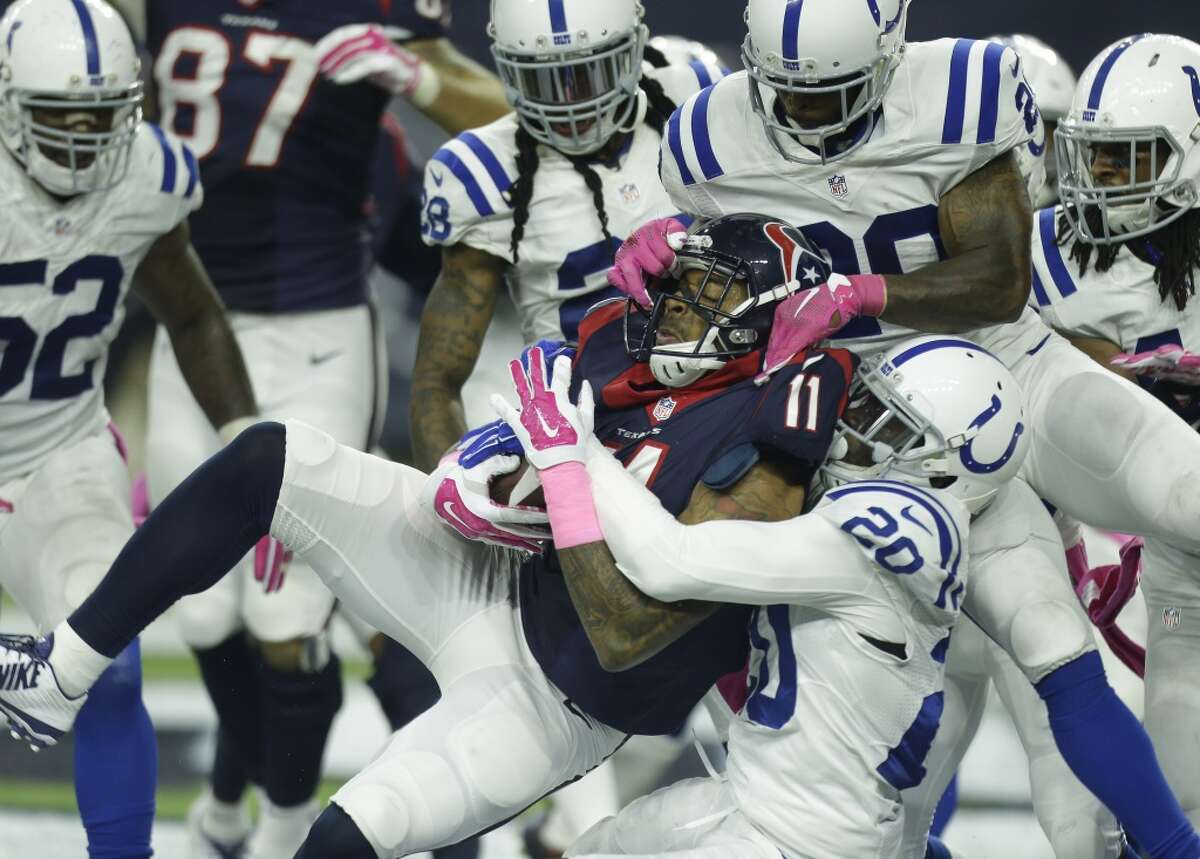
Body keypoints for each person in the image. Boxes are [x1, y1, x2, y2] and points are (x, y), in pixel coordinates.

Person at [0, 215, 855, 857]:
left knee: (341, 843)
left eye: (710, 296)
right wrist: (489, 478)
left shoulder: (768, 468)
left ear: (773, 324)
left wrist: (563, 467)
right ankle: (60, 674)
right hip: (492, 575)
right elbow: (514, 439)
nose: (672, 309)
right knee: (269, 458)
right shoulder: (622, 340)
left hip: (558, 697)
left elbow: (624, 635)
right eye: (680, 284)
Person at [605, 1, 1200, 855]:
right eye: (789, 94)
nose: (810, 117)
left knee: (1188, 497)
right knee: (886, 757)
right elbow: (726, 274)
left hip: (1009, 371)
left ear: (891, 54)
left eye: (835, 91)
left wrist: (865, 293)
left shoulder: (958, 92)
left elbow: (998, 281)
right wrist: (669, 254)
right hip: (865, 433)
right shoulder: (706, 137)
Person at [128, 0, 511, 854]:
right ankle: (242, 798)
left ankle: (284, 823)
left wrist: (418, 75)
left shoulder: (363, 12)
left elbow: (508, 110)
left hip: (317, 335)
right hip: (189, 325)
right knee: (195, 611)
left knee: (286, 616)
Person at [497, 335, 1022, 859]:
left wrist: (577, 452)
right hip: (751, 799)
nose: (850, 428)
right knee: (592, 848)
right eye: (865, 401)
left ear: (943, 469)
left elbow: (667, 561)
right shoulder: (881, 525)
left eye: (890, 424)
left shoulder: (889, 535)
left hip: (808, 841)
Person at [0, 1, 256, 857]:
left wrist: (243, 432)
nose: (79, 141)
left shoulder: (145, 174)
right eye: (55, 118)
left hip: (55, 451)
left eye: (99, 118)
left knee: (106, 659)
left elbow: (194, 314)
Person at [408, 0, 725, 472]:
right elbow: (438, 380)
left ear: (633, 51)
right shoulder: (485, 171)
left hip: (725, 384)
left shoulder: (693, 94)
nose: (570, 101)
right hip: (587, 427)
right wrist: (449, 488)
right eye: (543, 79)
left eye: (590, 74)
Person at [1033, 32, 1200, 828]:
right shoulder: (1036, 253)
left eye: (1126, 157)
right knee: (1130, 809)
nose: (1096, 179)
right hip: (1109, 552)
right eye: (1092, 155)